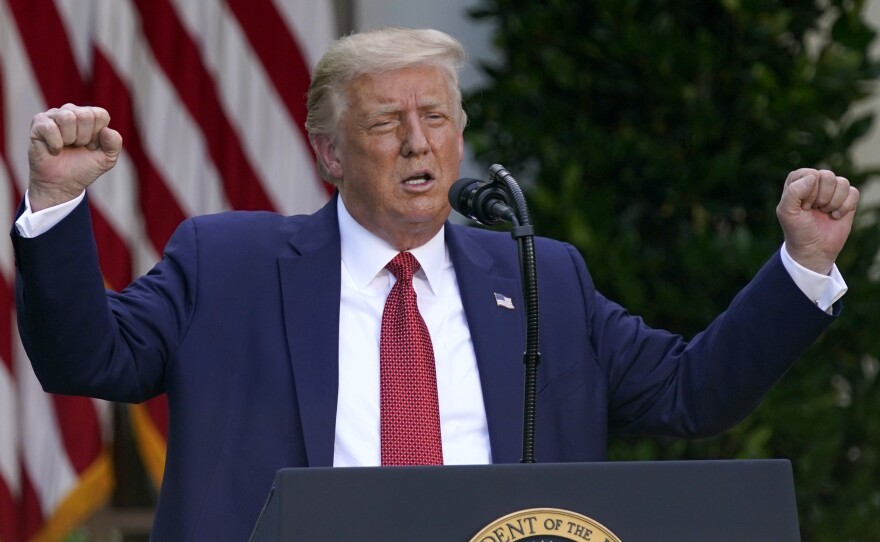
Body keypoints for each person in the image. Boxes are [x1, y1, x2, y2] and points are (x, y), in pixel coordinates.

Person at [14, 27, 858, 541]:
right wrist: (56, 206)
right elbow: (88, 358)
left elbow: (688, 393)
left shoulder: (541, 278)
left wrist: (803, 267)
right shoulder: (226, 265)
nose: (419, 143)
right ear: (331, 153)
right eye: (386, 123)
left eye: (438, 118)